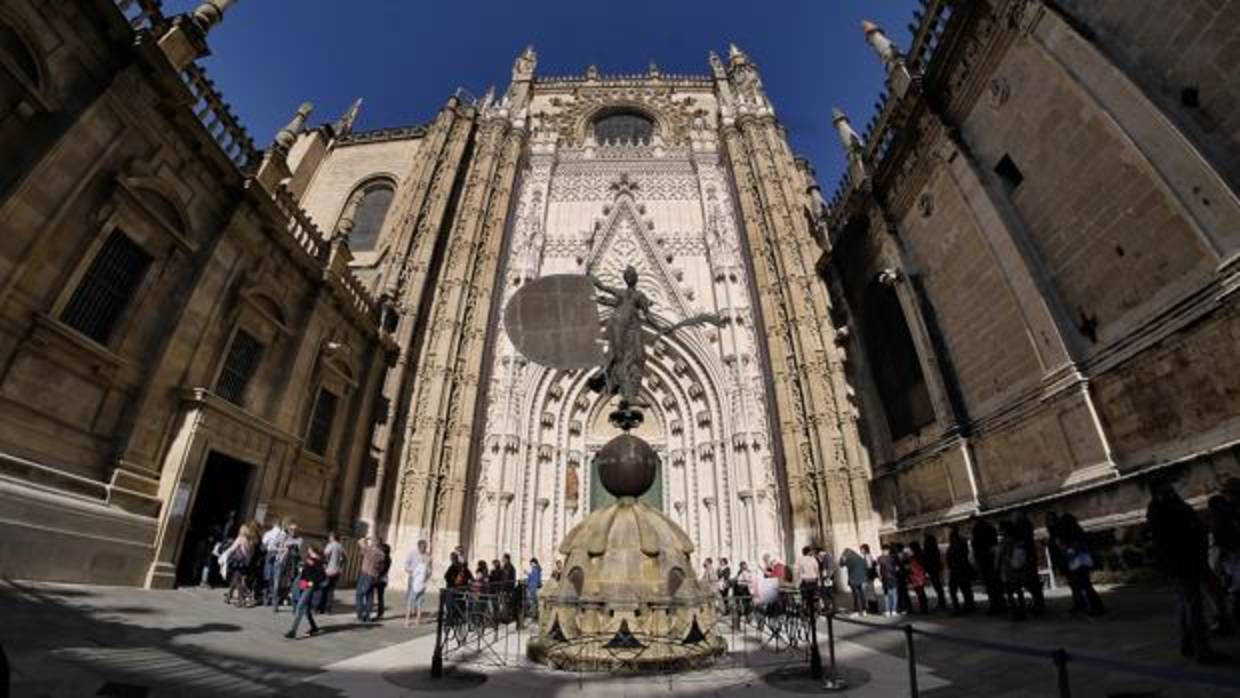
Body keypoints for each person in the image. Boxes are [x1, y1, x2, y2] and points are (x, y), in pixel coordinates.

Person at [1147, 479, 1221, 663]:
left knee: (1185, 604)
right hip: (1187, 563)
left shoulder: (1157, 510)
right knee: (1193, 606)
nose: (1170, 492)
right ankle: (1201, 649)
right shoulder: (1172, 509)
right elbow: (1191, 530)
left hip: (1176, 566)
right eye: (1166, 490)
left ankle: (1188, 643)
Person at [1058, 513, 1105, 617]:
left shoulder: (1070, 535)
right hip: (1084, 561)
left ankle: (1097, 607)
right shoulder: (1078, 531)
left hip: (1077, 562)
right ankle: (1096, 606)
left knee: (1085, 586)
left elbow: (1071, 550)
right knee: (1087, 585)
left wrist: (1065, 549)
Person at [1208, 494, 1240, 626]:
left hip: (1229, 564)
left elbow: (1217, 554)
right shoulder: (1234, 519)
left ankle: (1227, 618)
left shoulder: (1216, 526)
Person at [285, 546, 325, 639]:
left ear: (314, 551)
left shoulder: (317, 561)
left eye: (310, 549)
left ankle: (293, 631)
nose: (308, 550)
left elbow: (322, 576)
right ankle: (314, 627)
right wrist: (301, 584)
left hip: (309, 587)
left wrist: (313, 582)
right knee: (306, 609)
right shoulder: (310, 559)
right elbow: (305, 574)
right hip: (304, 584)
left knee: (300, 607)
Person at [971, 516, 1005, 615]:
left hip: (985, 559)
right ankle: (1001, 603)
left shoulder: (978, 530)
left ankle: (995, 606)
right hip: (992, 558)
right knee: (996, 583)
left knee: (990, 584)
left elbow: (976, 545)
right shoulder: (990, 527)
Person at [219, 523, 256, 606]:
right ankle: (229, 596)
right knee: (235, 579)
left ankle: (242, 599)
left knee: (237, 580)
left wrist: (224, 556)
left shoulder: (240, 538)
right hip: (244, 563)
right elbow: (250, 554)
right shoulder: (250, 541)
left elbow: (232, 548)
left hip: (238, 562)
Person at [272, 523, 303, 613]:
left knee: (292, 586)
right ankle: (276, 604)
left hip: (292, 566)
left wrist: (286, 544)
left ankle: (294, 606)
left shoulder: (299, 539)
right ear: (288, 530)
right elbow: (272, 546)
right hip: (281, 563)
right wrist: (280, 549)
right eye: (291, 529)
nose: (293, 531)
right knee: (277, 584)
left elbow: (298, 546)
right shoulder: (283, 537)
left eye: (295, 530)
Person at [355, 536, 387, 623]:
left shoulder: (369, 549)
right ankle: (368, 616)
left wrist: (366, 538)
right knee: (370, 596)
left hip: (365, 574)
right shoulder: (382, 554)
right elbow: (382, 567)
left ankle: (360, 615)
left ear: (374, 542)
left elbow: (360, 541)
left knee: (360, 594)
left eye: (372, 541)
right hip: (374, 576)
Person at [946, 526, 975, 614]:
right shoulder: (962, 544)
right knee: (965, 589)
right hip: (962, 569)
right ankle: (968, 605)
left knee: (954, 589)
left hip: (957, 570)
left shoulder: (955, 546)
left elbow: (952, 558)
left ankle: (958, 607)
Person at [405, 539, 431, 627]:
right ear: (418, 546)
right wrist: (412, 571)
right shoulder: (412, 553)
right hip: (413, 579)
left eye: (425, 547)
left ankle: (416, 620)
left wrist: (426, 577)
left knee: (419, 601)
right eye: (423, 547)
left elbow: (430, 570)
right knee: (411, 599)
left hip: (422, 582)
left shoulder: (428, 556)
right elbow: (406, 565)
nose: (424, 549)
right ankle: (409, 618)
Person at [261, 519, 287, 607]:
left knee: (268, 576)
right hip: (279, 556)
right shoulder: (284, 534)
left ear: (273, 524)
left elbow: (264, 543)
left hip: (270, 555)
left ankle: (266, 600)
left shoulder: (268, 533)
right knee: (276, 579)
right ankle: (274, 600)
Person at [318, 532, 345, 614]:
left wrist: (324, 563)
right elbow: (344, 558)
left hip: (329, 571)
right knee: (331, 590)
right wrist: (339, 564)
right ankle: (329, 609)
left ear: (332, 537)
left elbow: (324, 554)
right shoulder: (340, 546)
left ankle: (321, 608)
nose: (329, 538)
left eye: (329, 537)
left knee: (323, 589)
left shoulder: (331, 545)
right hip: (337, 571)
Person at [921, 532, 946, 611]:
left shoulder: (928, 548)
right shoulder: (934, 548)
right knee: (938, 586)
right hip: (935, 568)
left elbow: (927, 559)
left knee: (937, 586)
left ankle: (942, 602)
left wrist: (927, 570)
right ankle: (942, 602)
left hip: (932, 568)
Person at [840, 548, 868, 615]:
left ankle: (857, 610)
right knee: (862, 595)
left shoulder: (849, 559)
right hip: (862, 579)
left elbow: (841, 564)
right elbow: (866, 567)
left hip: (853, 580)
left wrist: (842, 558)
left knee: (856, 595)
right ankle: (864, 610)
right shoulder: (861, 558)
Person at [878, 545, 900, 617]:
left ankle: (887, 611)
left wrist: (880, 576)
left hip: (885, 579)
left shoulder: (880, 558)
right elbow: (897, 568)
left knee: (886, 595)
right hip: (892, 578)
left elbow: (878, 568)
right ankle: (893, 611)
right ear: (888, 550)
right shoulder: (893, 557)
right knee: (894, 595)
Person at [796, 546, 820, 613]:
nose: (812, 552)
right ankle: (816, 610)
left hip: (805, 581)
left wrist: (797, 582)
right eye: (811, 551)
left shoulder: (800, 560)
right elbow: (817, 570)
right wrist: (818, 580)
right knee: (815, 597)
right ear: (809, 552)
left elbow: (798, 571)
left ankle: (805, 608)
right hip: (813, 580)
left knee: (805, 597)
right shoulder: (813, 559)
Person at [908, 541, 929, 614]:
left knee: (919, 592)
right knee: (921, 592)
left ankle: (924, 608)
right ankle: (924, 606)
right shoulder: (921, 555)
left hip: (916, 576)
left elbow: (911, 566)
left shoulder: (914, 557)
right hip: (920, 575)